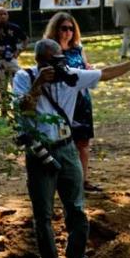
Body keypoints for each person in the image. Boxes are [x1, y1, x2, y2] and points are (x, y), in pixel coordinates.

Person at [12, 39, 130, 258]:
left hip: (67, 148)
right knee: (43, 213)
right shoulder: (24, 77)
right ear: (40, 61)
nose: (59, 65)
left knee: (76, 208)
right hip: (39, 150)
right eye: (53, 61)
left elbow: (105, 73)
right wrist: (38, 84)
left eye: (61, 59)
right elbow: (22, 108)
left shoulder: (71, 77)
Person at [44, 12, 100, 192]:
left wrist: (90, 69)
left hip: (82, 100)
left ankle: (83, 180)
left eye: (71, 28)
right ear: (56, 29)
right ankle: (63, 182)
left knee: (83, 142)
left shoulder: (78, 49)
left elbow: (85, 67)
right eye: (64, 28)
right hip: (63, 102)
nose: (68, 32)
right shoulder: (51, 51)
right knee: (63, 143)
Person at [0, 7, 27, 98]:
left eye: (5, 14)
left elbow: (25, 39)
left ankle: (18, 103)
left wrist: (18, 51)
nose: (3, 16)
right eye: (0, 14)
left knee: (17, 84)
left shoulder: (14, 27)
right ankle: (4, 104)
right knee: (0, 87)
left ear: (8, 15)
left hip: (12, 59)